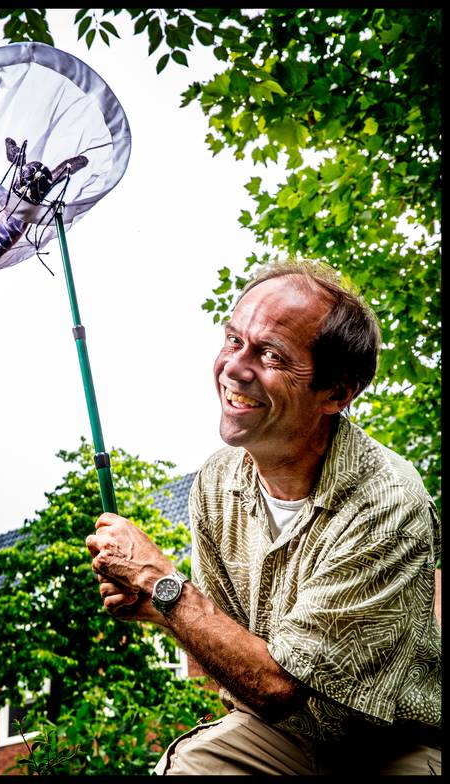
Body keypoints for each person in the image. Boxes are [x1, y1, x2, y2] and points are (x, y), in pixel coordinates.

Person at [85, 259, 441, 776]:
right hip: (284, 736)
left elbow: (279, 687)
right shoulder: (215, 483)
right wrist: (161, 609)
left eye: (271, 354)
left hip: (394, 744)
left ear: (336, 393)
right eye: (233, 340)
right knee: (193, 767)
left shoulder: (387, 501)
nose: (234, 368)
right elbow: (236, 667)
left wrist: (161, 584)